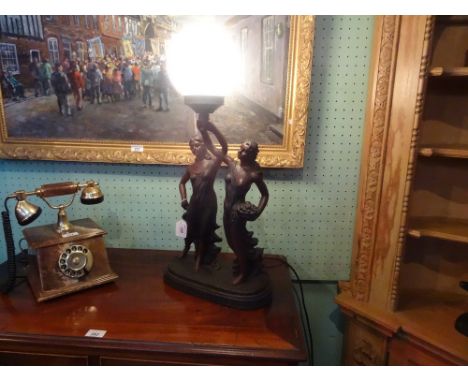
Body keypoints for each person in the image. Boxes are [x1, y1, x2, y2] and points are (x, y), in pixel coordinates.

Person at [198, 120, 269, 285]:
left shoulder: (253, 174)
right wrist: (206, 130)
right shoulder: (232, 164)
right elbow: (212, 148)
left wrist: (258, 211)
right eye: (241, 149)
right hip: (226, 209)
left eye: (245, 151)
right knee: (230, 242)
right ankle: (244, 263)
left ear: (252, 155)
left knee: (237, 242)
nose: (241, 152)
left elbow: (265, 194)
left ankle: (244, 272)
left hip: (237, 211)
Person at [178, 134, 226, 271]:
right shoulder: (191, 167)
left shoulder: (214, 163)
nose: (194, 149)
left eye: (197, 145)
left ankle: (199, 258)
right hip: (194, 202)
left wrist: (210, 130)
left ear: (204, 146)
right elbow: (181, 183)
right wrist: (183, 199)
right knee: (190, 228)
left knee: (204, 230)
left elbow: (224, 148)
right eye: (192, 147)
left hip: (208, 203)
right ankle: (186, 249)